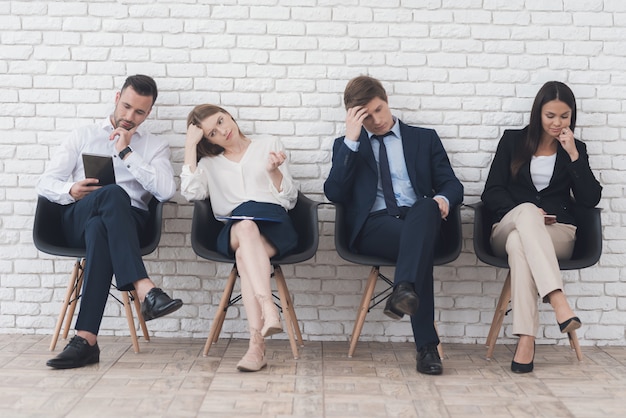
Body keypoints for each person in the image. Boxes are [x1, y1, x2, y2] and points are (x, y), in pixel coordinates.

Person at [37, 75, 183, 369]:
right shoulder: (83, 134)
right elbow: (45, 182)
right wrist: (71, 190)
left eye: (139, 112)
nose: (130, 117)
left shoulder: (155, 146)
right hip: (79, 215)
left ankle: (86, 341)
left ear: (149, 113)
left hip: (130, 224)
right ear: (117, 98)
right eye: (126, 106)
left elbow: (167, 191)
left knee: (102, 226)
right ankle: (144, 288)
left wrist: (127, 153)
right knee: (111, 196)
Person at [324, 76, 463, 375]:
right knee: (419, 249)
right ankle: (426, 347)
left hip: (422, 219)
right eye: (366, 116)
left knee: (425, 207)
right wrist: (351, 140)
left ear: (386, 100)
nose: (375, 121)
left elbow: (452, 184)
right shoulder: (348, 146)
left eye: (378, 110)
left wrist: (442, 200)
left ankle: (403, 288)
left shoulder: (424, 139)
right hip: (375, 227)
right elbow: (334, 192)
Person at [481, 81, 602, 373]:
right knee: (525, 214)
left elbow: (589, 199)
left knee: (519, 247)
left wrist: (574, 156)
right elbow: (492, 191)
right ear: (538, 114)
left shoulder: (575, 149)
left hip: (556, 233)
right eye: (550, 116)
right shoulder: (512, 141)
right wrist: (527, 212)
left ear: (572, 116)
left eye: (564, 116)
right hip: (507, 225)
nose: (557, 123)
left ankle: (526, 340)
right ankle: (558, 300)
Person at [180, 104, 298, 372]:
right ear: (207, 141)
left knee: (245, 256)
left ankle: (256, 346)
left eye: (222, 121)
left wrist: (273, 171)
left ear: (230, 115)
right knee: (245, 228)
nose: (223, 131)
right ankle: (268, 306)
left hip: (275, 222)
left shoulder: (268, 143)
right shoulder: (209, 164)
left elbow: (290, 199)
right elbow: (191, 193)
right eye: (213, 132)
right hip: (236, 224)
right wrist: (189, 147)